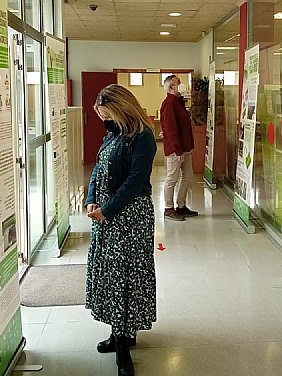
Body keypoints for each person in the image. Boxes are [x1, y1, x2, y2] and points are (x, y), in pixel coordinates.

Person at [84, 84, 157, 376]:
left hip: (131, 218)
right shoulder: (113, 135)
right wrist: (91, 200)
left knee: (125, 278)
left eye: (106, 115)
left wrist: (106, 209)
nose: (104, 120)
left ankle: (125, 344)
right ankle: (119, 334)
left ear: (121, 109)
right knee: (112, 276)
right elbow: (98, 170)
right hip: (106, 216)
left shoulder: (143, 138)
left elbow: (135, 182)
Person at [160, 75, 198, 221]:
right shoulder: (169, 103)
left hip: (185, 147)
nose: (182, 85)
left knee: (188, 176)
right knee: (172, 178)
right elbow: (170, 129)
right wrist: (177, 150)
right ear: (171, 87)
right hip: (176, 149)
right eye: (179, 83)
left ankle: (181, 206)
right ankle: (168, 208)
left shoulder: (178, 102)